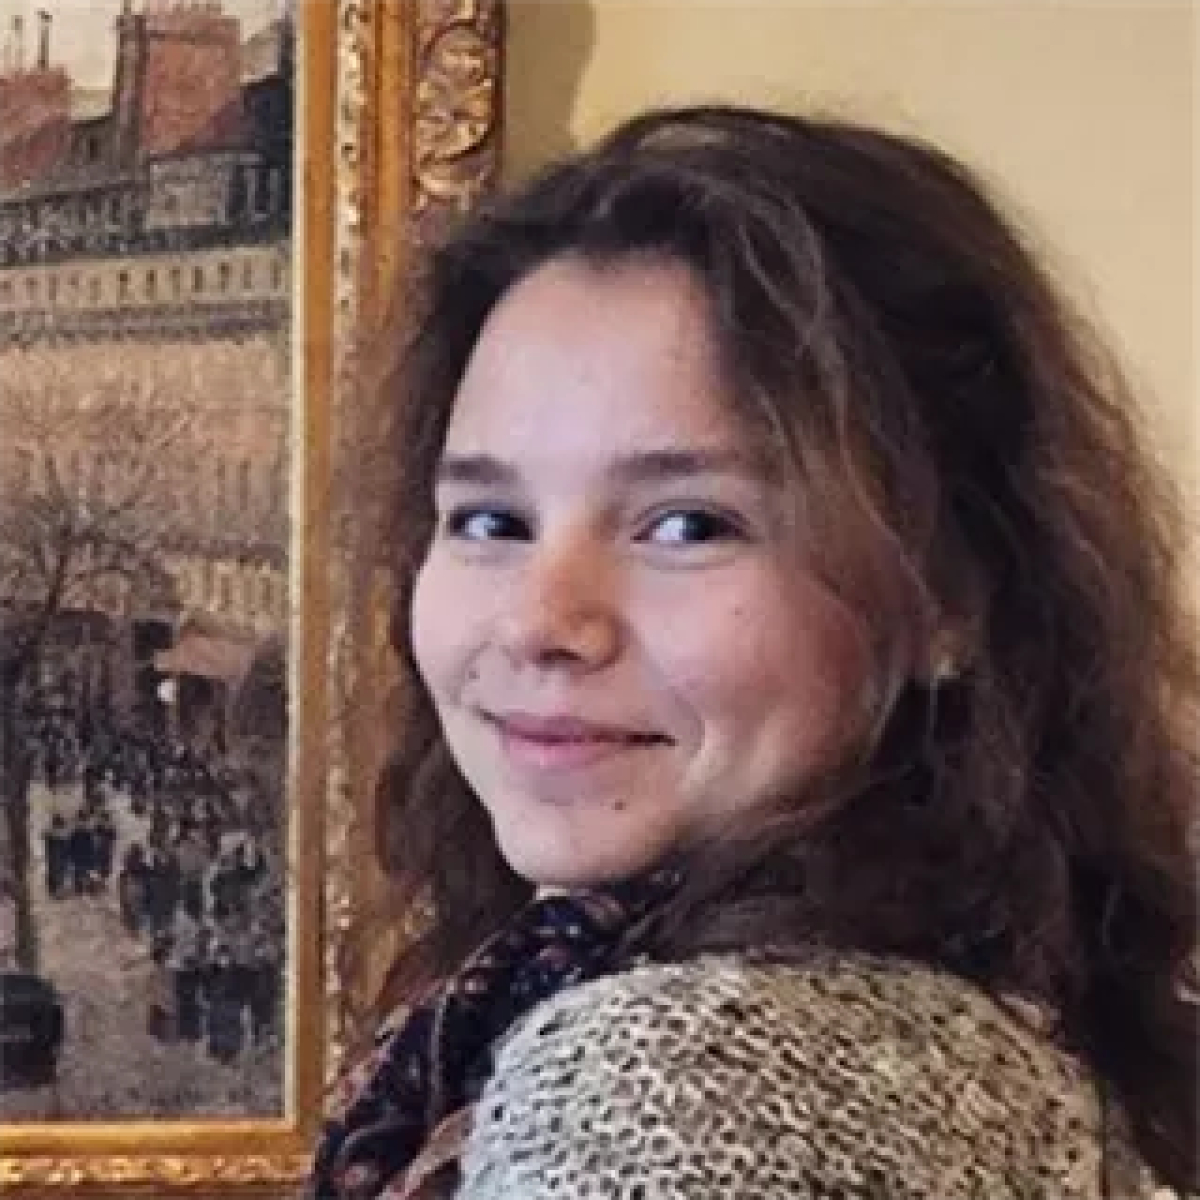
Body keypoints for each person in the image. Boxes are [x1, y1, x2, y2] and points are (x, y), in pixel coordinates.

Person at [308, 105, 1198, 1199]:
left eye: (689, 525)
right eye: (492, 521)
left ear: (951, 593)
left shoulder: (675, 1081)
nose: (541, 622)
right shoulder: (986, 1019)